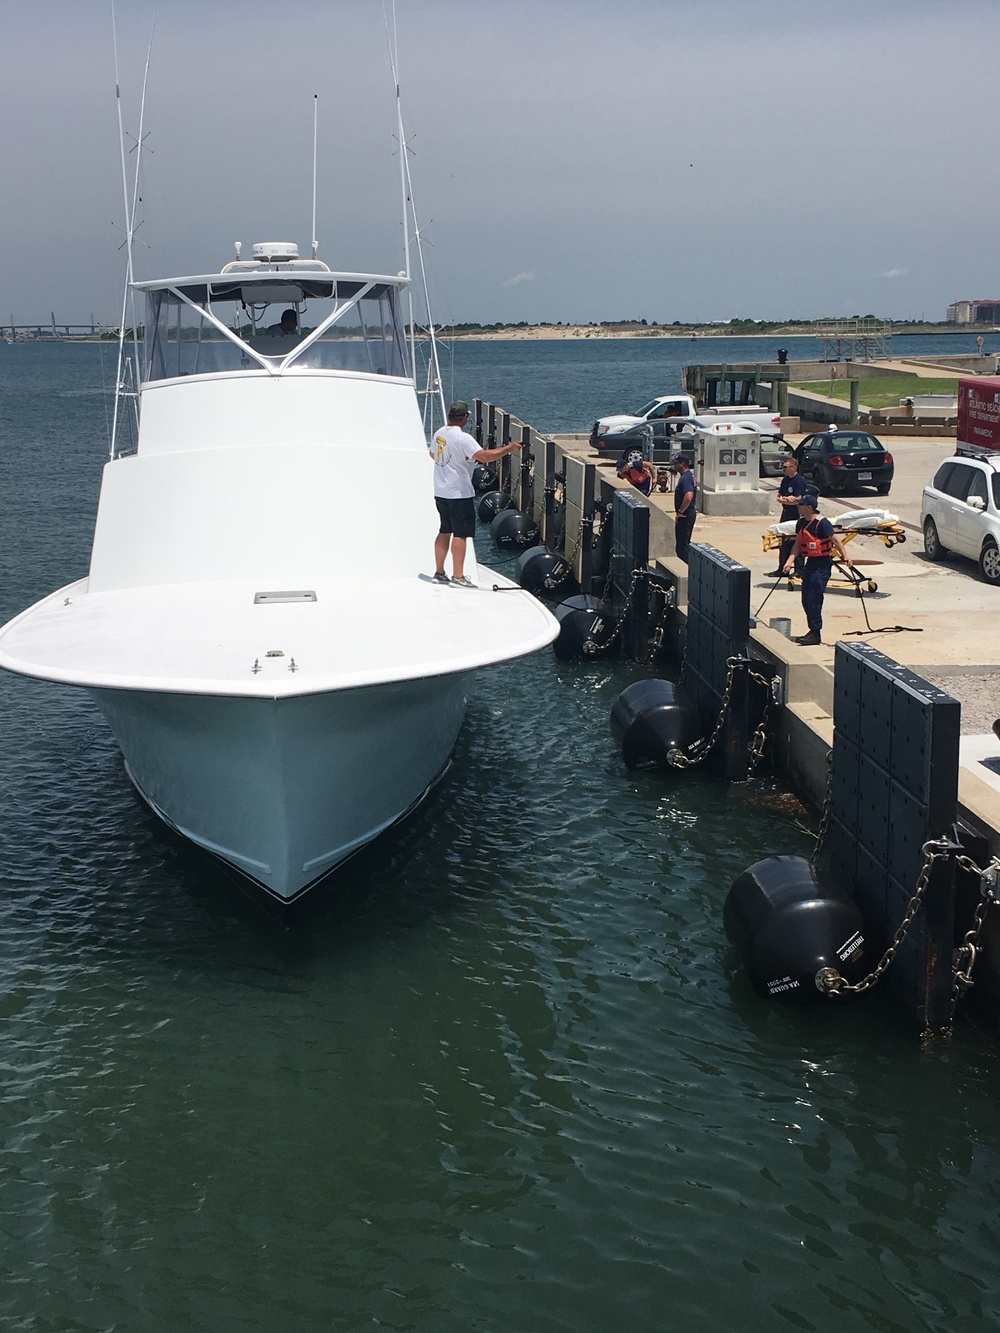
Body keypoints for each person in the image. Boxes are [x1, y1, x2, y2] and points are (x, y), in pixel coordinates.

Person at [430, 401, 522, 587]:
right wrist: (509, 449)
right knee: (460, 534)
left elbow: (433, 455)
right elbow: (484, 457)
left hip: (441, 491)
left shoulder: (439, 433)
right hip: (459, 493)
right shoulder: (463, 438)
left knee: (444, 529)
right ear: (464, 418)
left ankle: (439, 572)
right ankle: (458, 576)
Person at [781, 493, 851, 646]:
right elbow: (797, 545)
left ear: (808, 507)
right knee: (806, 598)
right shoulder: (801, 523)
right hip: (810, 563)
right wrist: (789, 562)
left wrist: (845, 557)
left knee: (814, 598)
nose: (798, 507)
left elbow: (836, 540)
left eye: (800, 505)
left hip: (822, 564)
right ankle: (812, 630)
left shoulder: (822, 523)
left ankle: (815, 633)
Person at [768, 455, 808, 575]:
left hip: (796, 513)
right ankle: (783, 568)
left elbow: (798, 499)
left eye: (785, 467)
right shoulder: (785, 479)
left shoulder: (799, 481)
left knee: (797, 540)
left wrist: (785, 499)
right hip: (786, 512)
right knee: (784, 540)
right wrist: (784, 499)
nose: (783, 470)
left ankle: (799, 569)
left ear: (794, 467)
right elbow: (779, 496)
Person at [672, 452, 697, 563]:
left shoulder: (685, 479)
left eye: (676, 463)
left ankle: (688, 569)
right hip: (688, 514)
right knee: (684, 543)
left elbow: (688, 496)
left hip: (685, 515)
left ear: (682, 464)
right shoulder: (688, 476)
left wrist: (680, 512)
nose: (674, 465)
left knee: (682, 547)